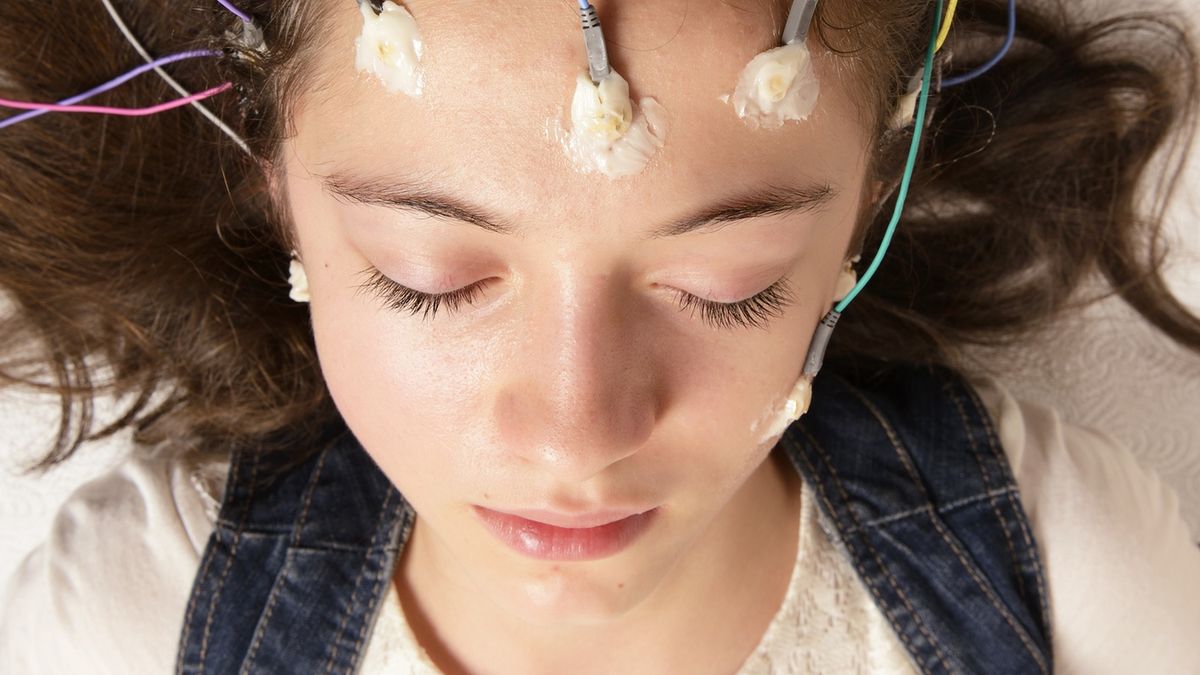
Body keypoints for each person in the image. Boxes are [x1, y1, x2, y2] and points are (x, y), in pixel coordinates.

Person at [1, 0, 1198, 672]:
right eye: (429, 279)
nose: (579, 433)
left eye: (730, 284)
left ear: (864, 208)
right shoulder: (126, 620)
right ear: (276, 189)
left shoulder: (1073, 572)